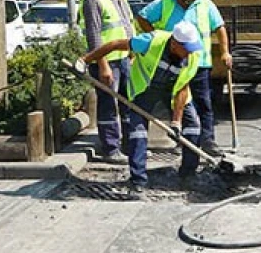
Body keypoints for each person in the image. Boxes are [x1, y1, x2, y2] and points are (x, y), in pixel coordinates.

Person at [81, 22, 204, 198]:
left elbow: (183, 87)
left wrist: (176, 121)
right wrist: (85, 60)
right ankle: (138, 180)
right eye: (187, 48)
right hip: (145, 90)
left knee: (193, 127)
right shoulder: (150, 42)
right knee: (138, 133)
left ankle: (188, 174)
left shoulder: (193, 55)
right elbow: (115, 45)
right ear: (175, 43)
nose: (190, 52)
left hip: (174, 91)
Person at [136, 0, 233, 157]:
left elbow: (219, 27)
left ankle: (207, 140)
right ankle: (182, 140)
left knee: (204, 102)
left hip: (200, 62)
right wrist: (157, 37)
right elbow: (142, 17)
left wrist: (225, 52)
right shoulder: (165, 3)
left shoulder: (204, 3)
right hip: (175, 63)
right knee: (177, 103)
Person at [80, 0, 136, 163]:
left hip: (124, 60)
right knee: (108, 106)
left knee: (128, 104)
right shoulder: (93, 0)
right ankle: (111, 148)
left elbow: (127, 26)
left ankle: (131, 145)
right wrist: (102, 65)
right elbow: (94, 36)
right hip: (107, 63)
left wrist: (132, 54)